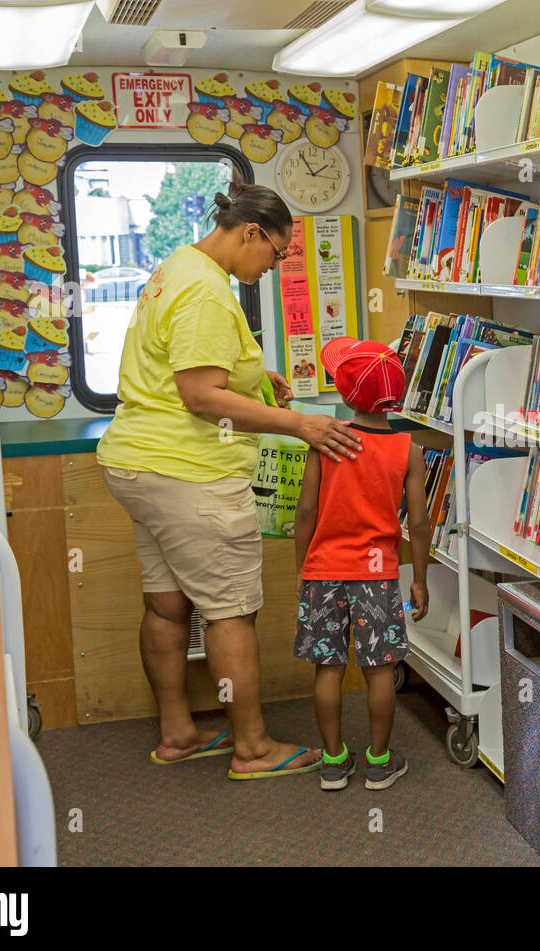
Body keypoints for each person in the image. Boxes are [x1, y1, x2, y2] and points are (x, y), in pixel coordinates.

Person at [96, 176, 362, 780]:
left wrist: (254, 379)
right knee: (230, 613)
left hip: (137, 462)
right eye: (275, 252)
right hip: (189, 472)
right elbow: (198, 396)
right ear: (250, 233)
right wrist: (298, 423)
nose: (274, 266)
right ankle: (252, 748)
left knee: (167, 606)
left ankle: (179, 733)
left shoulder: (178, 266)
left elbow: (184, 367)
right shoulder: (210, 295)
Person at [293, 337, 430, 790]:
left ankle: (333, 760)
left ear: (346, 395)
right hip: (378, 576)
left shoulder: (326, 442)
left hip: (324, 571)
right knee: (379, 672)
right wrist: (421, 581)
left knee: (327, 670)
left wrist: (303, 569)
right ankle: (378, 760)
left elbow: (306, 513)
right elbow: (420, 522)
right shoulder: (408, 450)